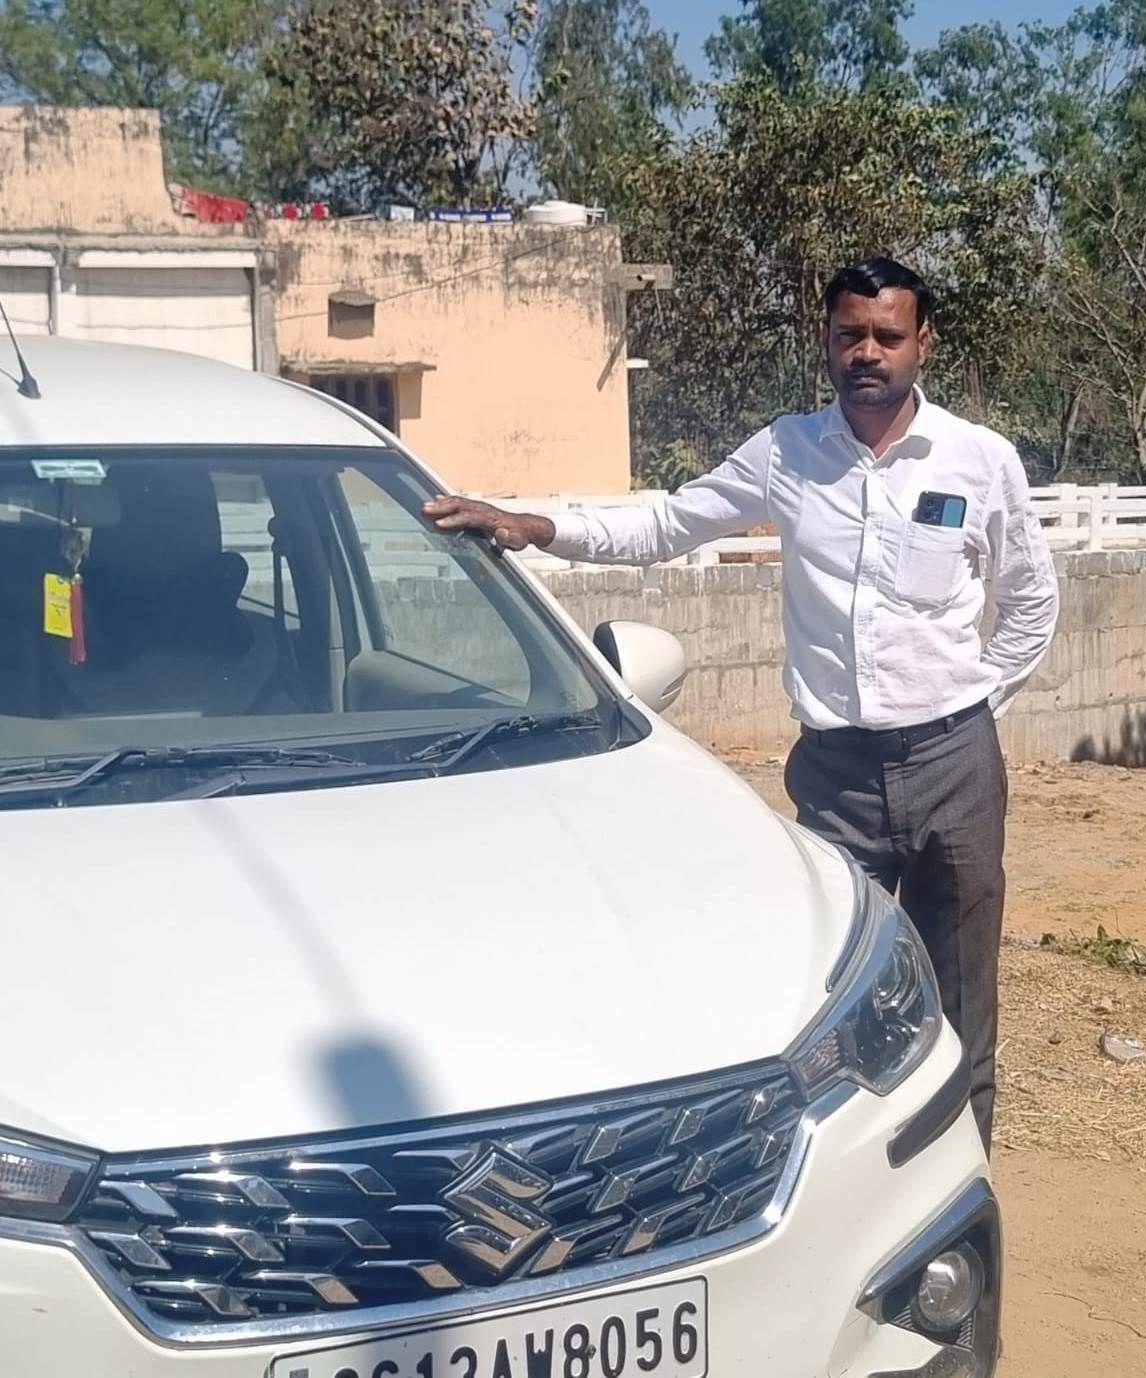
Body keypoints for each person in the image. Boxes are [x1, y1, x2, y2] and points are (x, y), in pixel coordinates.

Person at [424, 256, 1059, 1152]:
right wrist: (534, 526)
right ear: (826, 341)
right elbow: (665, 524)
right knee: (830, 999)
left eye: (887, 336)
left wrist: (973, 707)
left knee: (960, 1004)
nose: (866, 353)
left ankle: (959, 1186)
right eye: (849, 334)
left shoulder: (979, 459)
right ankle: (849, 1187)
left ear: (923, 342)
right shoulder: (787, 453)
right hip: (836, 779)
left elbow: (1032, 601)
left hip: (956, 769)